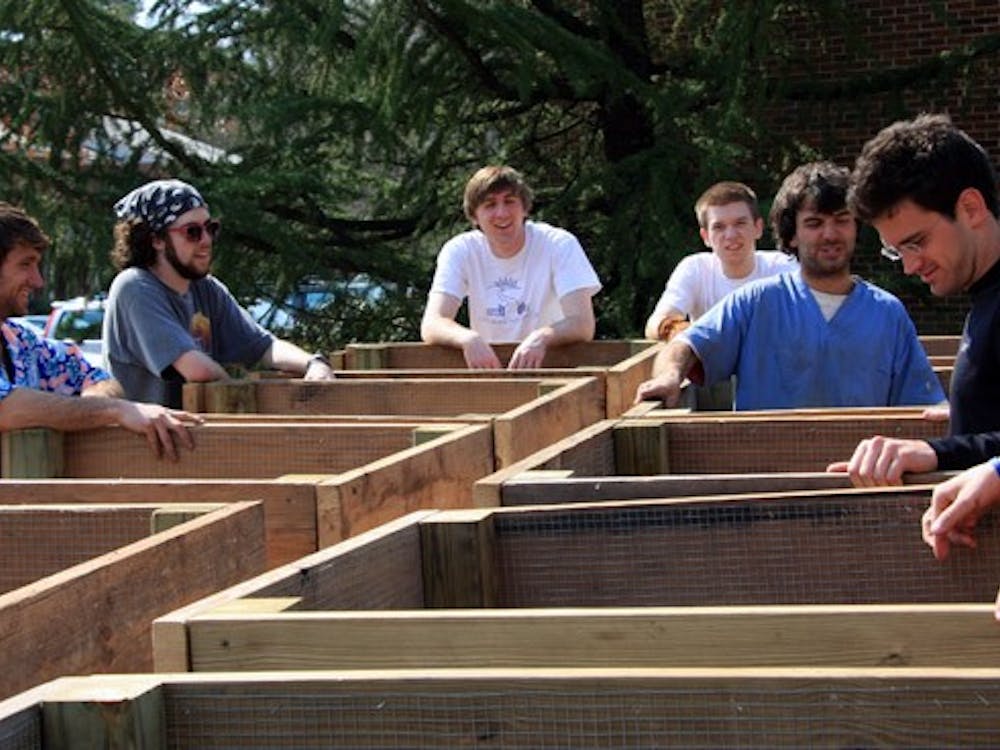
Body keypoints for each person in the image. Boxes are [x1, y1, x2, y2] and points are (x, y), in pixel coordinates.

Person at [634, 161, 945, 410]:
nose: (830, 234)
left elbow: (926, 401)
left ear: (856, 226)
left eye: (841, 220)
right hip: (768, 475)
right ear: (791, 234)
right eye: (814, 223)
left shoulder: (887, 313)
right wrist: (670, 376)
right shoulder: (755, 303)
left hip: (859, 481)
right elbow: (686, 345)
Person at [828, 114, 1000, 486]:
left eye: (916, 242)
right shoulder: (986, 295)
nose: (908, 266)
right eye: (896, 251)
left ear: (970, 208)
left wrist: (938, 452)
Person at [104, 179, 336, 408]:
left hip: (194, 438)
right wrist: (238, 394)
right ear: (156, 239)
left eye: (210, 228)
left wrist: (313, 363)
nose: (206, 240)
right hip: (141, 443)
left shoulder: (206, 289)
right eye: (192, 232)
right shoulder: (134, 287)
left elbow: (263, 346)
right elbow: (196, 369)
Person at [0, 202, 199, 459]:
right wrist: (113, 411)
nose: (38, 281)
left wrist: (97, 405)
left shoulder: (20, 342)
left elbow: (97, 378)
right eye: (25, 264)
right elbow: (7, 408)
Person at [420, 165, 601, 369]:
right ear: (474, 216)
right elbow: (432, 323)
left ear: (524, 208)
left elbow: (582, 323)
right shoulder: (460, 250)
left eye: (509, 201)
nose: (501, 213)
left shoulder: (558, 244)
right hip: (493, 377)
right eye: (489, 205)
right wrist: (468, 339)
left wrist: (542, 337)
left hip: (556, 371)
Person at [643, 181, 796, 340]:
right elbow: (655, 324)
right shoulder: (695, 269)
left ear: (758, 228)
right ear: (706, 237)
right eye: (719, 227)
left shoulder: (783, 269)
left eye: (740, 223)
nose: (730, 235)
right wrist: (681, 332)